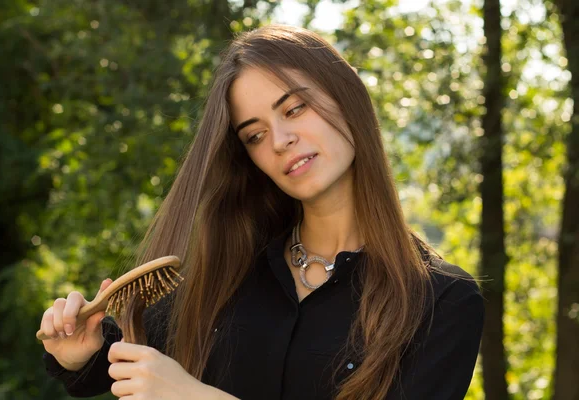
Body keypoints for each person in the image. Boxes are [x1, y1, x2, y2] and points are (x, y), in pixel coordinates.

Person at [40, 24, 484, 400]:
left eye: (295, 108)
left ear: (346, 96)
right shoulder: (222, 276)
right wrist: (84, 352)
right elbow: (128, 362)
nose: (279, 140)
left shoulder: (441, 302)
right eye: (254, 135)